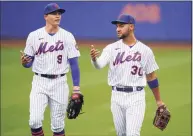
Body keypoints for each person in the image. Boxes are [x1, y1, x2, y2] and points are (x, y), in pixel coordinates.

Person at [90, 14, 166, 136]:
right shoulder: (111, 48)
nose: (117, 29)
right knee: (121, 134)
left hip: (136, 97)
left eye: (121, 26)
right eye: (117, 26)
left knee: (133, 133)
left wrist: (159, 101)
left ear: (131, 27)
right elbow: (99, 65)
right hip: (116, 96)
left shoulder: (145, 50)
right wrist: (94, 59)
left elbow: (151, 76)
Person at [20, 3, 81, 136]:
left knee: (58, 125)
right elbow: (28, 63)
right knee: (34, 121)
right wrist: (25, 63)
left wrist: (76, 88)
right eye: (54, 13)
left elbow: (74, 64)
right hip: (39, 82)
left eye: (59, 13)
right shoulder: (34, 36)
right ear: (45, 16)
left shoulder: (67, 36)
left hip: (59, 83)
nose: (58, 16)